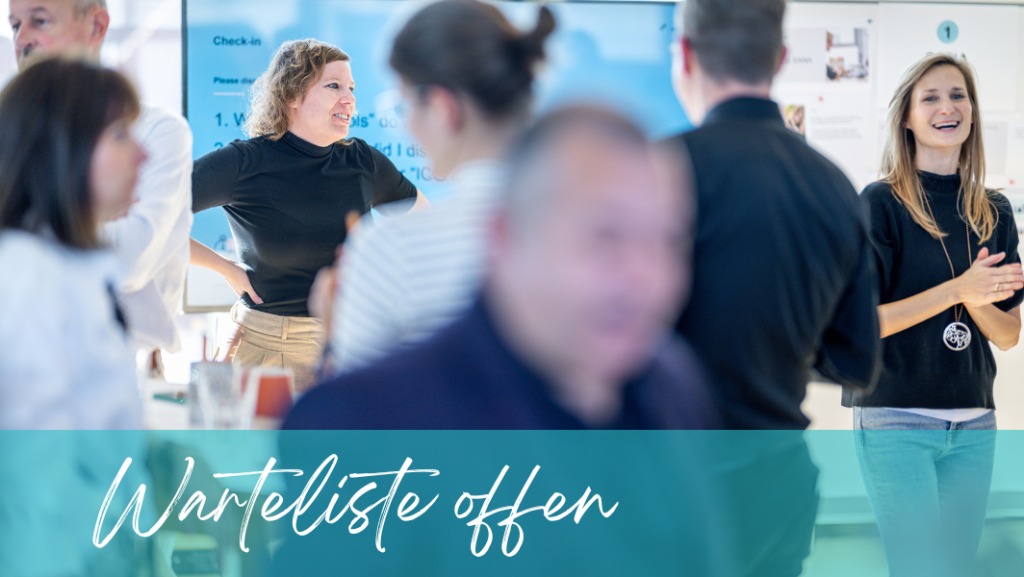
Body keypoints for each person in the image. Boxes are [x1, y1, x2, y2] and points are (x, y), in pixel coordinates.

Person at [284, 105, 717, 431]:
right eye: (606, 236)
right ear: (504, 236)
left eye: (669, 241)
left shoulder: (673, 387)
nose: (646, 278)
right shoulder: (361, 416)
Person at [667, 0, 881, 574]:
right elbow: (856, 361)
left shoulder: (659, 170)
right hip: (778, 482)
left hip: (677, 478)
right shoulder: (833, 186)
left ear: (685, 54)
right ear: (781, 57)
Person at [847, 53, 1023, 576]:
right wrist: (958, 289)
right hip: (895, 418)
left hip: (974, 422)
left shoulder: (995, 210)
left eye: (958, 95)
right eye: (930, 98)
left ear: (972, 110)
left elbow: (1008, 335)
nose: (948, 107)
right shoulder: (880, 204)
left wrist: (976, 301)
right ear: (906, 117)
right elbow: (864, 322)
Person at [318, 0, 555, 377]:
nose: (407, 125)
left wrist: (333, 335)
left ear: (444, 109)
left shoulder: (391, 249)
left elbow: (358, 411)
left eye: (405, 106)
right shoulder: (598, 235)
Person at [190, 38, 428, 392]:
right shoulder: (243, 163)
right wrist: (224, 268)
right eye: (334, 86)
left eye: (351, 88)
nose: (349, 99)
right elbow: (150, 217)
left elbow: (424, 222)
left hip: (350, 344)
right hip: (266, 348)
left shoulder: (363, 161)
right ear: (292, 95)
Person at [9, 0, 194, 366]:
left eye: (40, 21)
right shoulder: (13, 130)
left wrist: (25, 227)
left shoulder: (156, 132)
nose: (22, 39)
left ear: (96, 26)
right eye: (14, 25)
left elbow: (131, 258)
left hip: (127, 363)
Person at [0, 57, 146, 429]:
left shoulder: (73, 263)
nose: (144, 155)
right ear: (58, 147)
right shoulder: (26, 274)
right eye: (120, 134)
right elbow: (39, 455)